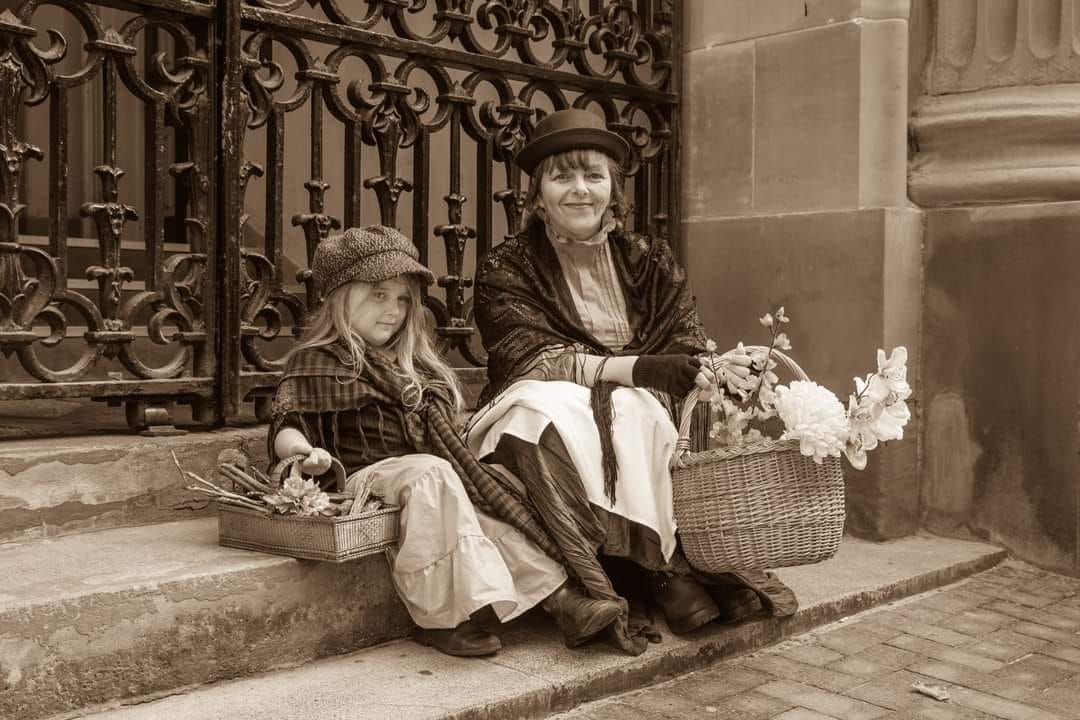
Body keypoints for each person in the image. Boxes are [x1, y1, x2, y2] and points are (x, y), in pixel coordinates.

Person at [466, 109, 797, 654]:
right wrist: (638, 369)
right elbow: (531, 358)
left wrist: (712, 369)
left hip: (643, 406)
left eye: (593, 176)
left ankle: (670, 566)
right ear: (537, 194)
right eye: (561, 176)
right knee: (549, 409)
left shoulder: (650, 259)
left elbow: (684, 340)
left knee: (637, 410)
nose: (579, 190)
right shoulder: (507, 265)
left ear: (612, 189)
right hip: (536, 405)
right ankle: (655, 572)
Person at [268, 225, 623, 658]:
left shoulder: (413, 365)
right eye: (379, 295)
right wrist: (302, 453)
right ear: (341, 296)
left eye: (402, 299)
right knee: (430, 474)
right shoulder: (318, 361)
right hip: (362, 477)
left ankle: (563, 602)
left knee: (485, 508)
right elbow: (286, 422)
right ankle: (443, 618)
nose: (394, 310)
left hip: (429, 477)